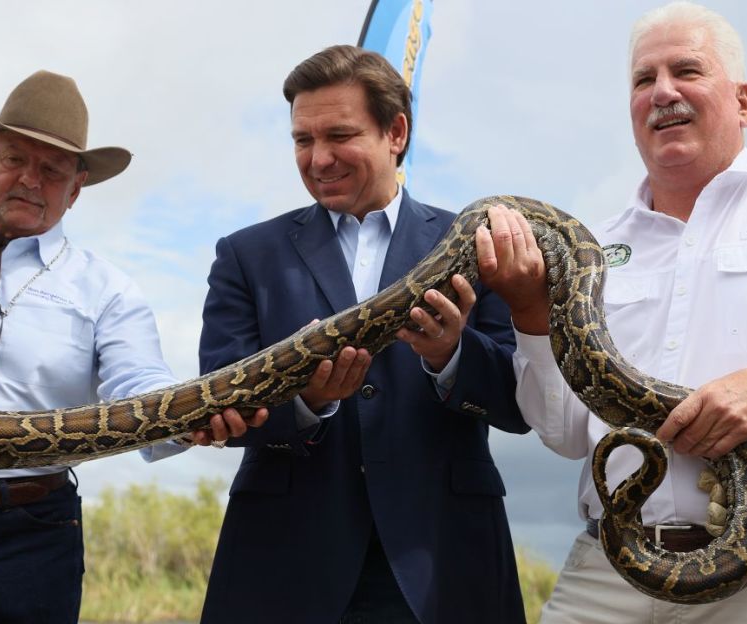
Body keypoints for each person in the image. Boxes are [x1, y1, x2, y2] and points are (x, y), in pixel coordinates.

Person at [476, 2, 747, 622]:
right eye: (643, 79)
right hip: (606, 575)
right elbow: (565, 433)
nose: (663, 91)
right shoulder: (591, 249)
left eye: (687, 70)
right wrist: (529, 311)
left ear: (742, 102)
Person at [0, 70, 264, 623]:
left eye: (52, 170)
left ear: (76, 188)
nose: (29, 180)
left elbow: (139, 383)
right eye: (15, 159)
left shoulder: (106, 289)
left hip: (27, 542)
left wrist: (188, 416)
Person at [197, 45, 529, 624]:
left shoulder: (479, 244)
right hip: (284, 564)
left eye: (339, 135)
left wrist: (452, 355)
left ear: (395, 132)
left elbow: (521, 401)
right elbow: (215, 404)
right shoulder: (246, 255)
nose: (319, 158)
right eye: (303, 140)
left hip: (443, 562)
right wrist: (308, 401)